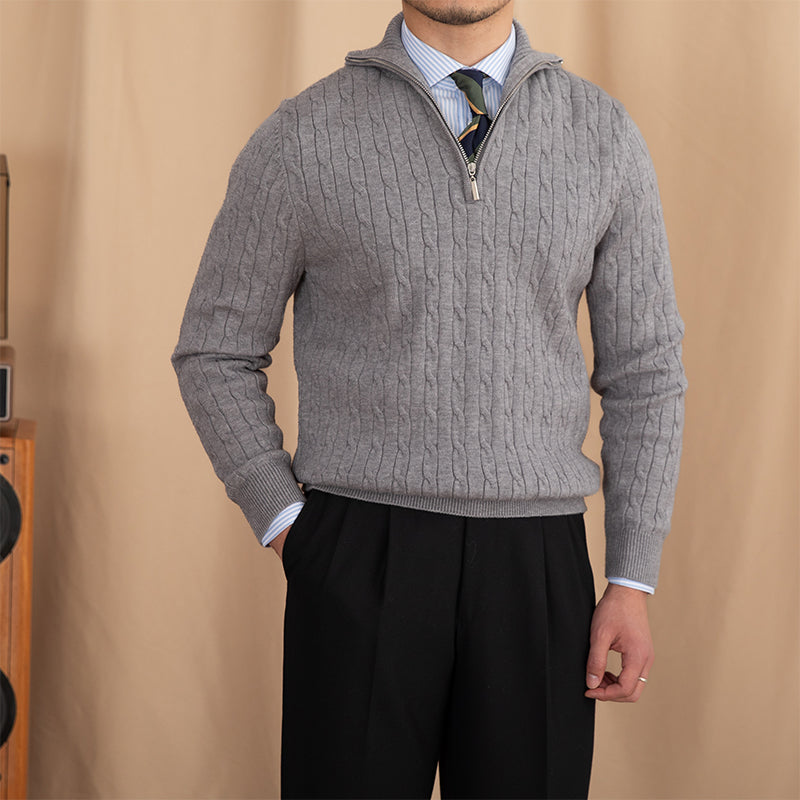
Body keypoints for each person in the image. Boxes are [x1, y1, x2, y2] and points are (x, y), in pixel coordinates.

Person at [172, 1, 687, 797]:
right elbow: (215, 348)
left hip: (538, 562)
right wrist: (288, 526)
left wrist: (632, 577)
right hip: (358, 553)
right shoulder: (304, 136)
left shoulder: (602, 134)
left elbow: (646, 369)